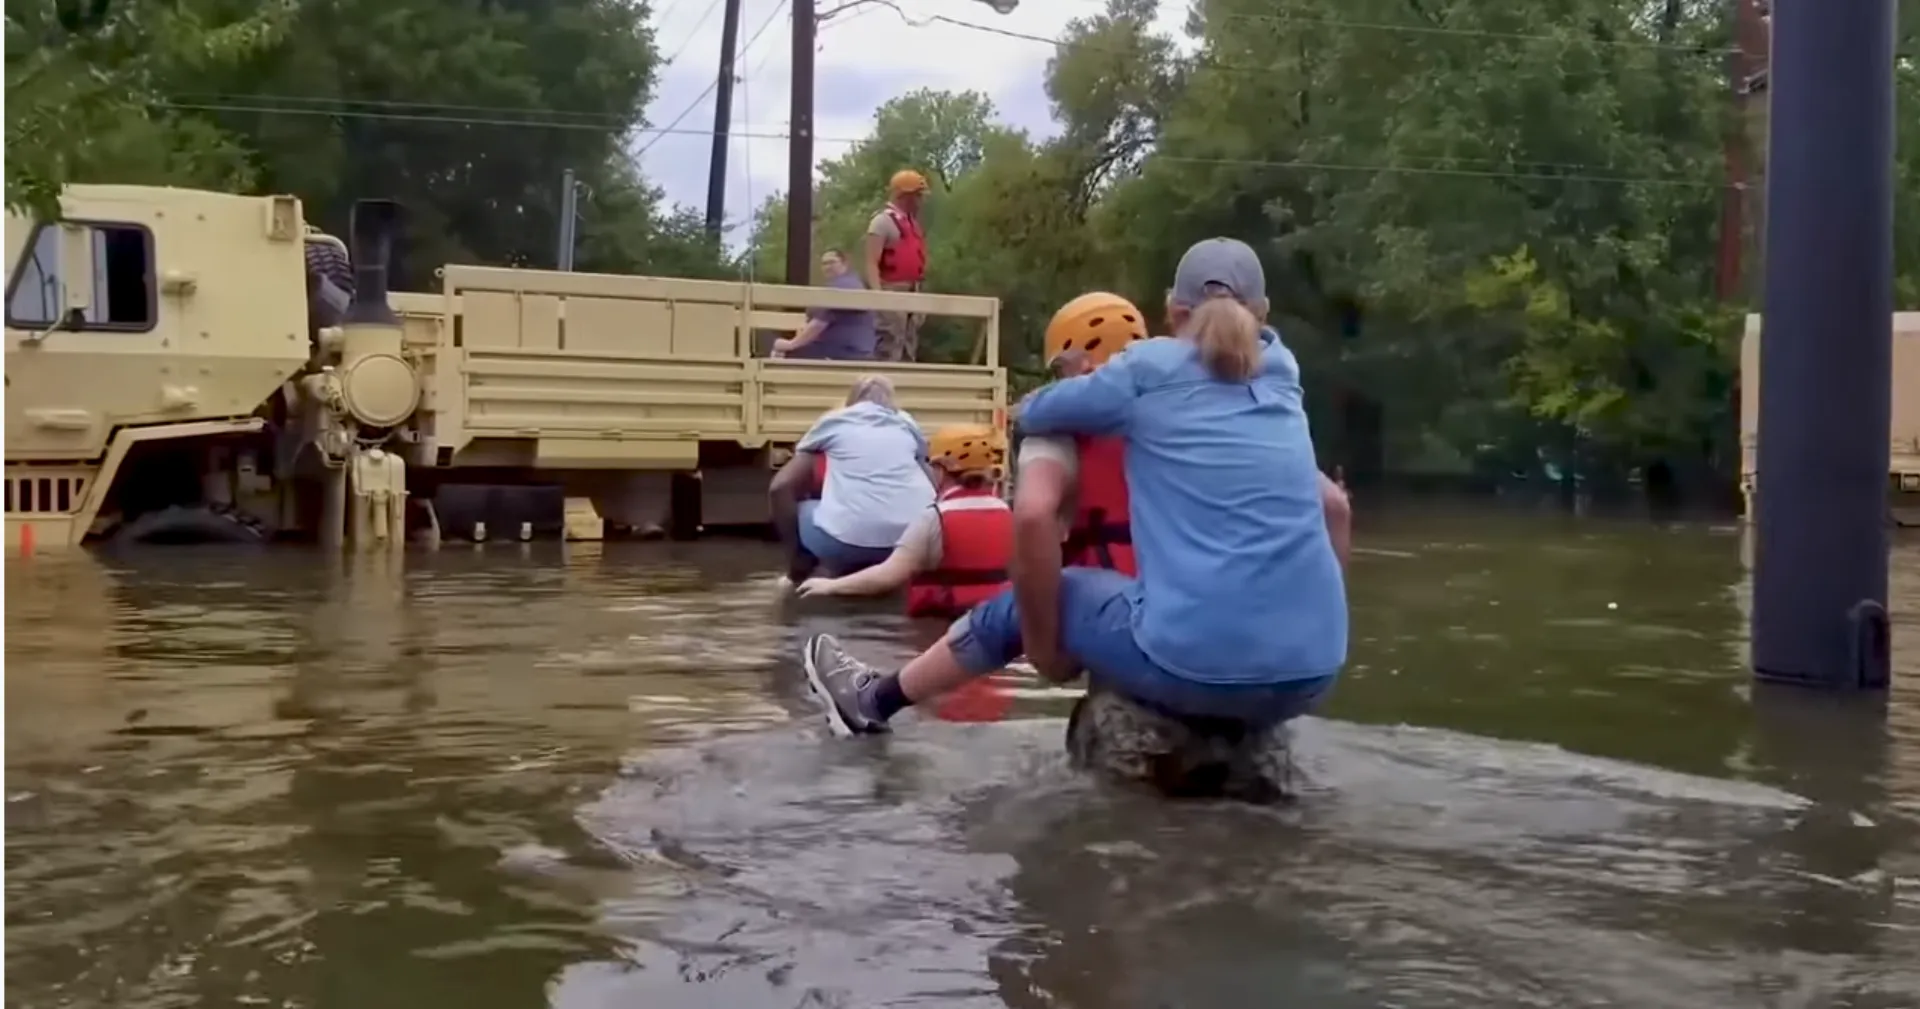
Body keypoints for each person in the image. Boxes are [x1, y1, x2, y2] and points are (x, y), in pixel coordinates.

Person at [800, 239, 1352, 801]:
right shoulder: (1282, 374)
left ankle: (872, 701)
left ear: (1173, 311)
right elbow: (1334, 508)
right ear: (1262, 314)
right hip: (1312, 671)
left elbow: (1036, 503)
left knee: (1043, 593)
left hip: (1191, 663)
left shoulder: (1147, 369)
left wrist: (1042, 649)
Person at [794, 423, 1012, 616]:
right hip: (999, 625)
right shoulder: (1010, 514)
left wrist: (830, 586)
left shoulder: (933, 519)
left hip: (942, 630)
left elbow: (887, 576)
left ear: (941, 469)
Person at [769, 375, 935, 583]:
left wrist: (794, 558)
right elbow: (932, 479)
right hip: (913, 542)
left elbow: (780, 487)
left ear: (852, 399)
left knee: (809, 508)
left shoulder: (835, 420)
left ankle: (806, 569)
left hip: (844, 543)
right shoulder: (906, 423)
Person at [865, 169, 929, 362]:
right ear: (905, 196)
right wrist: (879, 299)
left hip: (912, 291)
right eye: (918, 196)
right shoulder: (881, 222)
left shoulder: (912, 223)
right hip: (890, 290)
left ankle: (907, 386)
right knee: (889, 343)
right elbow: (871, 262)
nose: (920, 201)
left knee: (909, 346)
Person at [773, 249, 876, 361]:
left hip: (845, 351)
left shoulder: (843, 286)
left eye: (832, 262)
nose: (827, 267)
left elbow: (818, 325)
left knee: (784, 352)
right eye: (824, 264)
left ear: (845, 264)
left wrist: (791, 344)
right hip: (854, 349)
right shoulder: (852, 283)